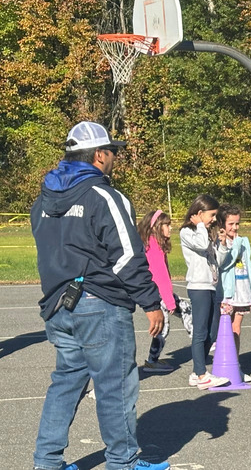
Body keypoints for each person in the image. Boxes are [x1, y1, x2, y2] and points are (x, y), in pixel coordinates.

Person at [30, 121, 170, 470]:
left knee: (66, 380)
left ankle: (47, 461)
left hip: (58, 304)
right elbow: (127, 256)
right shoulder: (105, 196)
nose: (114, 159)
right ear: (99, 155)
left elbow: (47, 251)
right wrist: (151, 302)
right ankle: (123, 461)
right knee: (116, 385)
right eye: (112, 152)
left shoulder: (43, 200)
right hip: (99, 302)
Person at [180, 194, 229, 390]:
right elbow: (200, 245)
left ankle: (196, 372)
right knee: (200, 332)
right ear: (200, 213)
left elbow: (218, 261)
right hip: (198, 286)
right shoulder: (187, 232)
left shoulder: (206, 233)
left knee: (212, 331)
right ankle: (201, 374)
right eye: (212, 215)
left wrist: (223, 244)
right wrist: (201, 225)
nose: (214, 219)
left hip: (211, 286)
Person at [138, 209, 193, 374]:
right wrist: (169, 301)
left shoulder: (154, 243)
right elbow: (160, 275)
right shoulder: (153, 246)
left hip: (159, 293)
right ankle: (152, 361)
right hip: (158, 294)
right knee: (164, 326)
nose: (170, 228)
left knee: (186, 310)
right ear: (156, 227)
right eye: (166, 225)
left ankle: (202, 342)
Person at [215, 204, 251, 379]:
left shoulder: (243, 241)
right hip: (227, 292)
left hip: (242, 290)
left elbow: (246, 262)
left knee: (236, 328)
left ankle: (235, 365)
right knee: (223, 328)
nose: (234, 227)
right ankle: (220, 364)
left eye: (237, 223)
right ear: (222, 224)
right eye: (231, 224)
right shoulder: (220, 242)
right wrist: (230, 243)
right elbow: (226, 263)